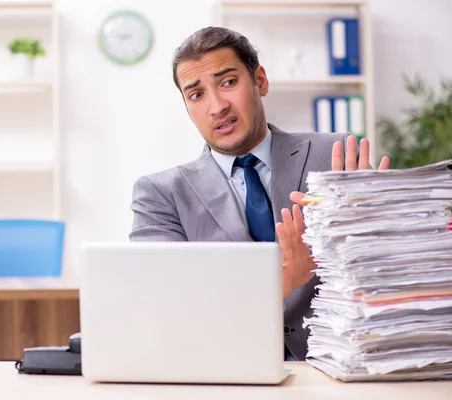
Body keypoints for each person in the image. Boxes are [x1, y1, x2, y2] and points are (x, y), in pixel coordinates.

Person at [129, 26, 389, 361]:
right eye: (197, 95)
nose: (217, 106)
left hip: (338, 367)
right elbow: (170, 306)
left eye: (228, 82)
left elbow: (387, 275)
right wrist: (283, 280)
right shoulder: (160, 194)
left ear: (260, 81)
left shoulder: (335, 157)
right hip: (225, 370)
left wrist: (378, 224)